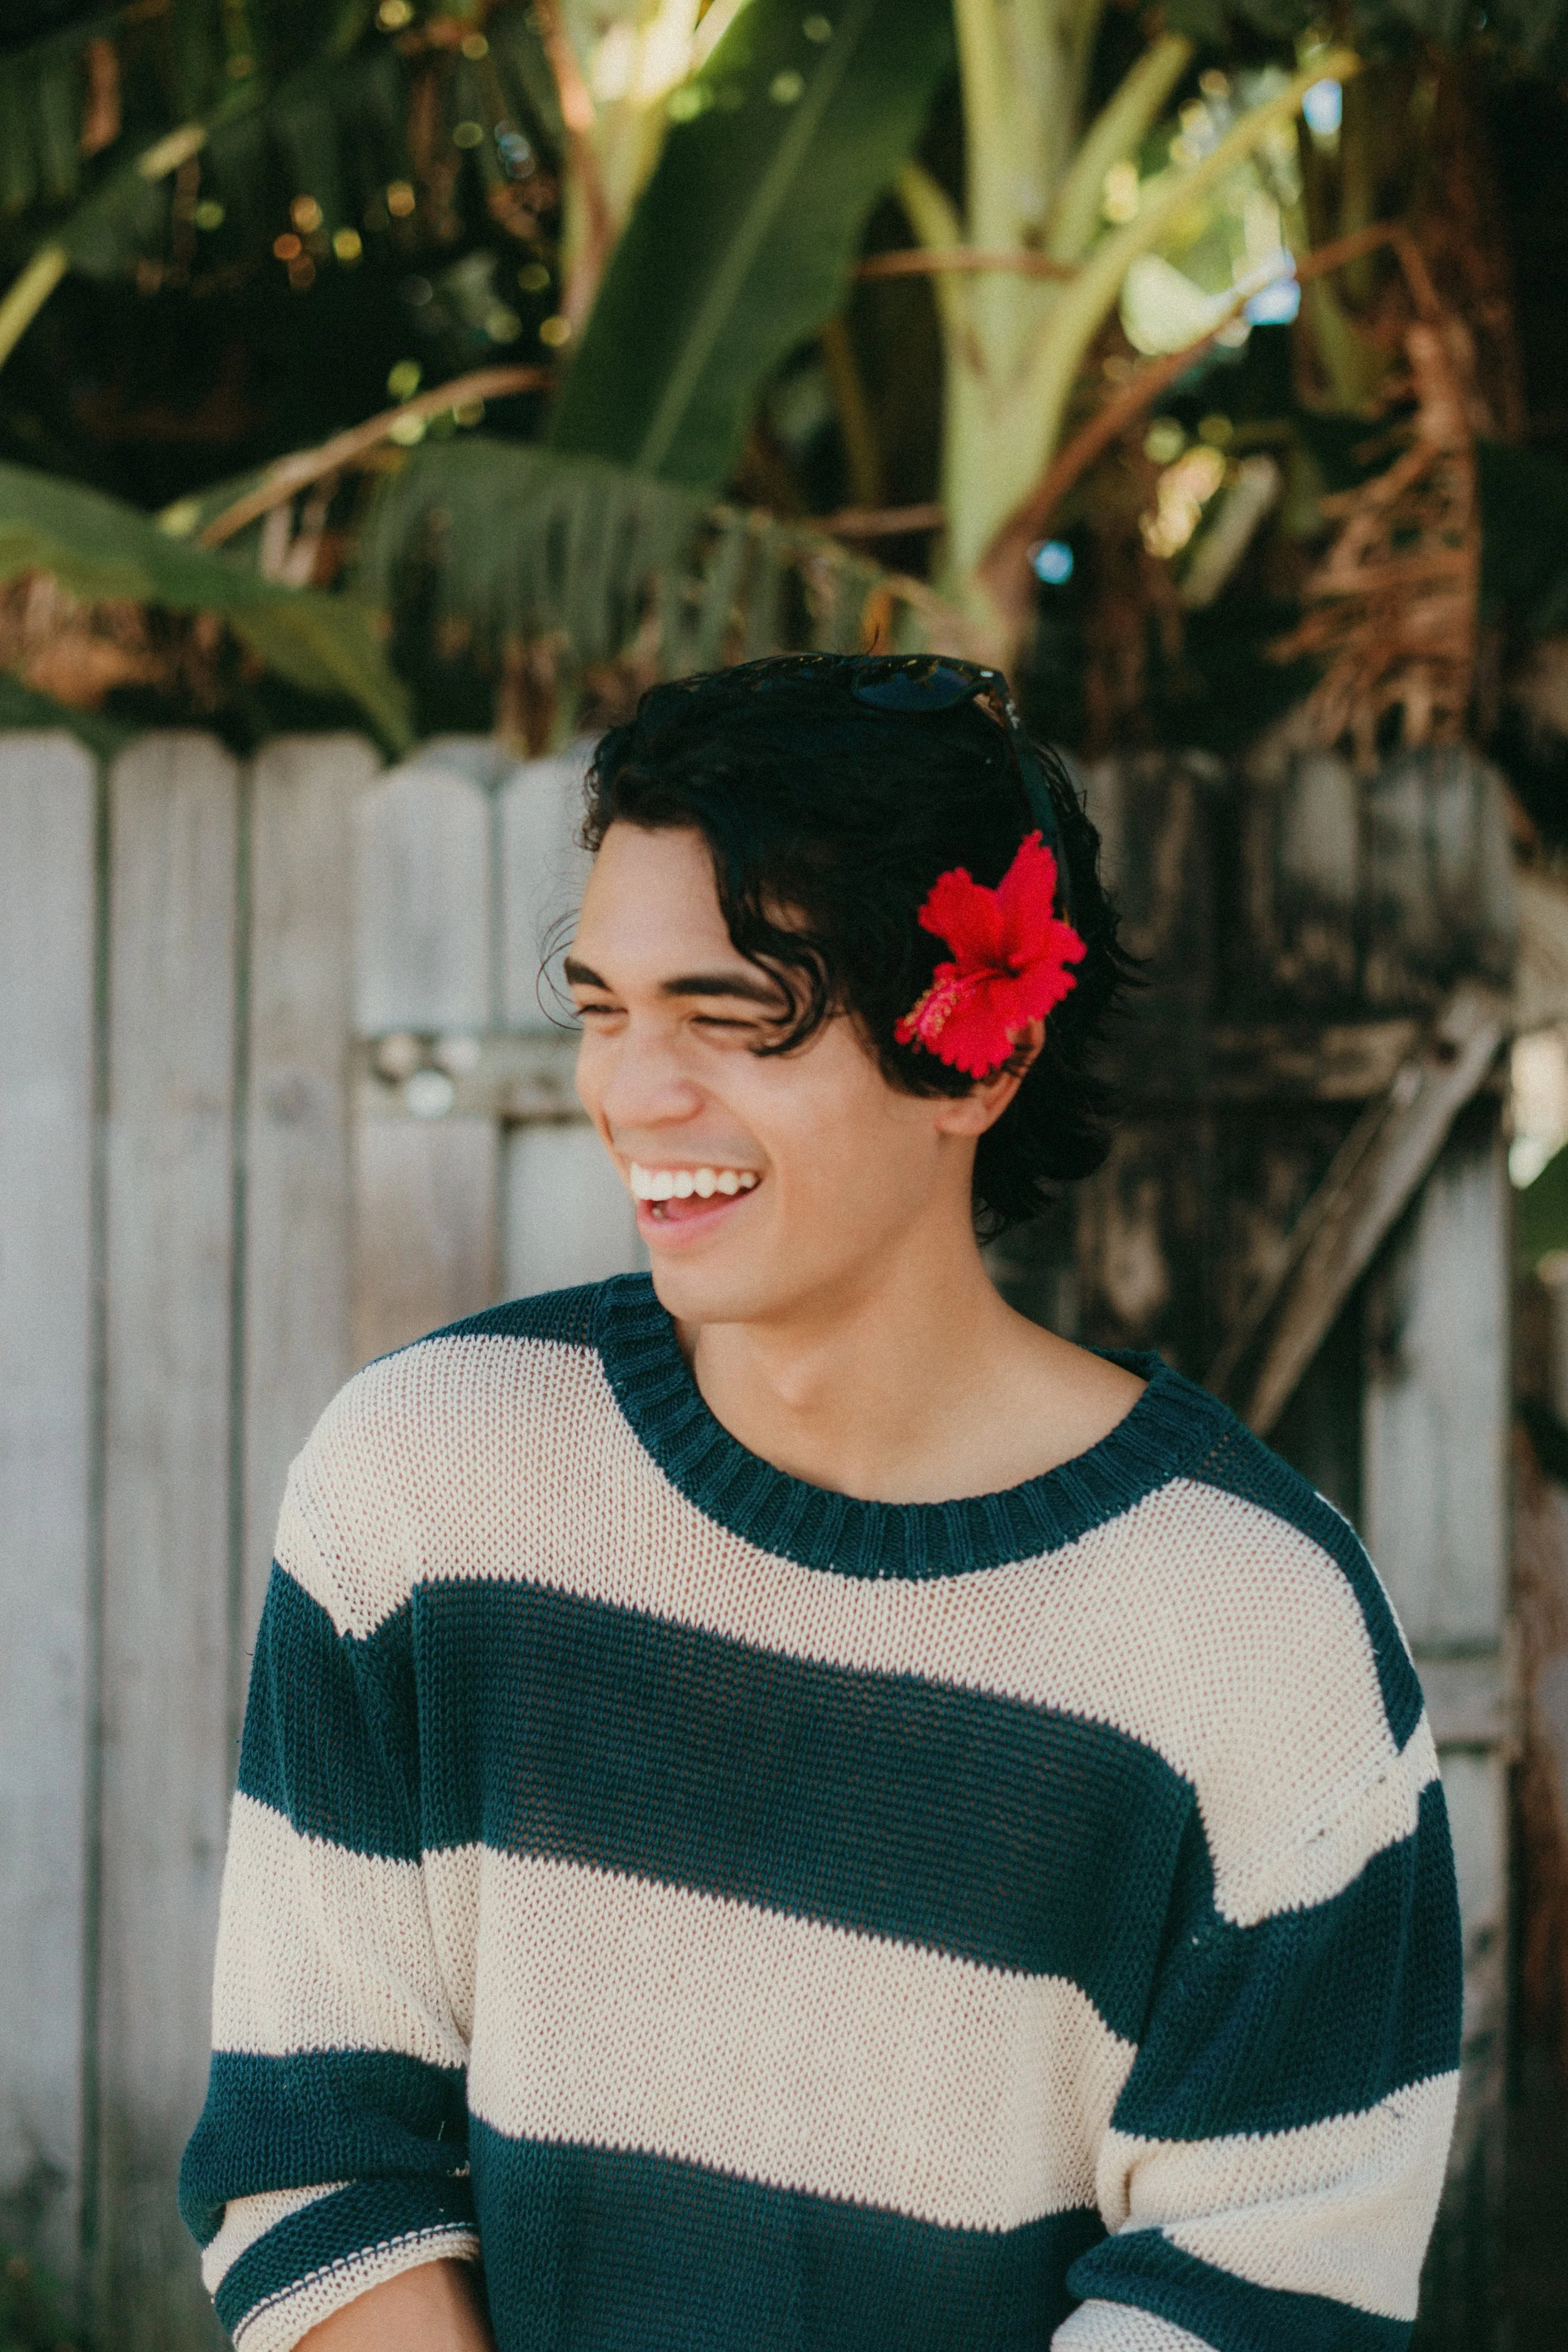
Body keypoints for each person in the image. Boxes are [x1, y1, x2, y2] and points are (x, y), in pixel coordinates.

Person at [181, 655, 1461, 2352]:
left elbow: (1258, 2294)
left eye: (729, 1019)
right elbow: (317, 2155)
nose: (633, 1090)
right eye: (604, 1006)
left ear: (976, 1056)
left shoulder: (1255, 1636)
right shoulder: (418, 1491)